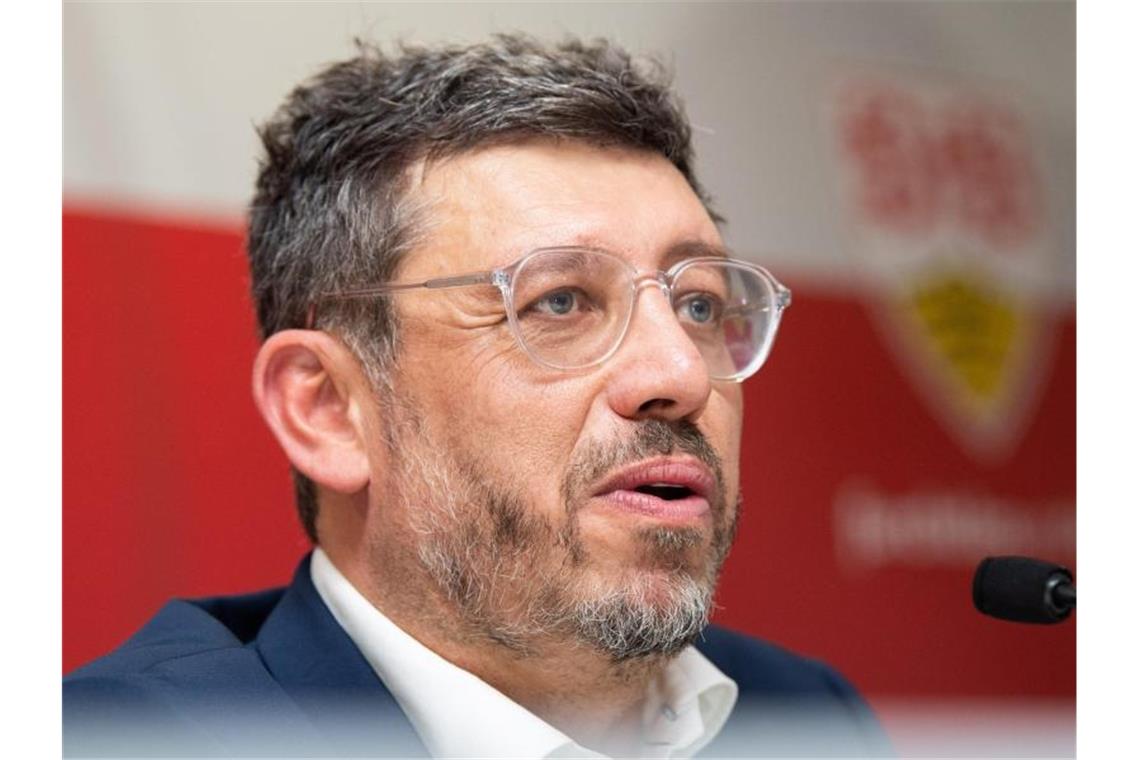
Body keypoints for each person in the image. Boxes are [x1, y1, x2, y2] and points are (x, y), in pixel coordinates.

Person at [64, 34, 889, 758]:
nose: (677, 375)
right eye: (560, 301)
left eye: (699, 304)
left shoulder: (811, 720)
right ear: (329, 410)